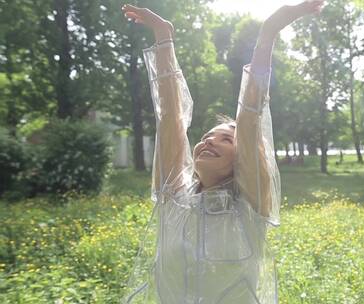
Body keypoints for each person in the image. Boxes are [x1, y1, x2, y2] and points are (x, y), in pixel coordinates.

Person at [121, 2, 324, 303]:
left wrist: (268, 32)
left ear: (241, 160)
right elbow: (171, 119)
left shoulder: (250, 207)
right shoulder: (173, 197)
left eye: (226, 140)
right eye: (205, 138)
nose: (208, 142)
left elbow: (250, 119)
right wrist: (164, 38)